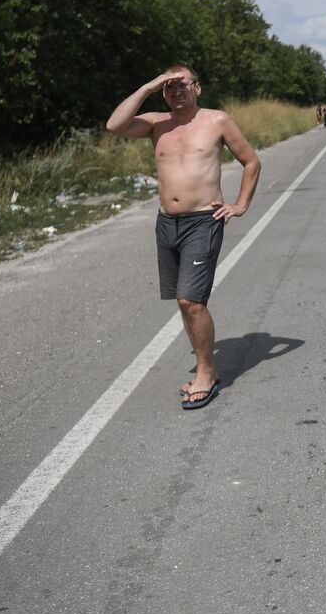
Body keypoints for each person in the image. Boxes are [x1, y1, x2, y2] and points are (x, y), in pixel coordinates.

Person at [107, 66, 261, 410]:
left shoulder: (217, 121)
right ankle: (208, 368)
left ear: (198, 88)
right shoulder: (154, 123)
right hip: (166, 223)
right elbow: (114, 125)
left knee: (190, 301)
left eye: (183, 85)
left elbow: (251, 161)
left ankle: (206, 374)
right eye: (169, 87)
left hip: (203, 220)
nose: (176, 91)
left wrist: (240, 205)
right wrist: (148, 85)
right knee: (184, 300)